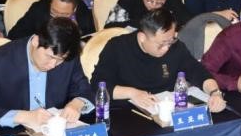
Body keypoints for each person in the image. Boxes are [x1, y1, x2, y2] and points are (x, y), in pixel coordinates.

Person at [90, 8, 226, 113]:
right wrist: (133, 93)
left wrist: (215, 93)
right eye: (161, 44)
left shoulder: (175, 47)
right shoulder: (117, 47)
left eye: (170, 41)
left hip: (165, 109)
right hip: (127, 111)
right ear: (142, 37)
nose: (166, 48)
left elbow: (197, 71)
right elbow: (98, 85)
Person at [0, 17, 93, 129]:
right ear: (36, 41)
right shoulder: (0, 60)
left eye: (60, 60)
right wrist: (23, 116)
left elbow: (85, 90)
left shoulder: (67, 57)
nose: (53, 65)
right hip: (15, 135)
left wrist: (77, 103)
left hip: (54, 134)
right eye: (50, 57)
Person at [8, 0, 94, 40]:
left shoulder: (82, 11)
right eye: (54, 12)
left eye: (64, 14)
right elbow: (14, 35)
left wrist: (77, 32)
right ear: (51, 3)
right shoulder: (39, 9)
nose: (58, 18)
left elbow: (91, 38)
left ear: (74, 9)